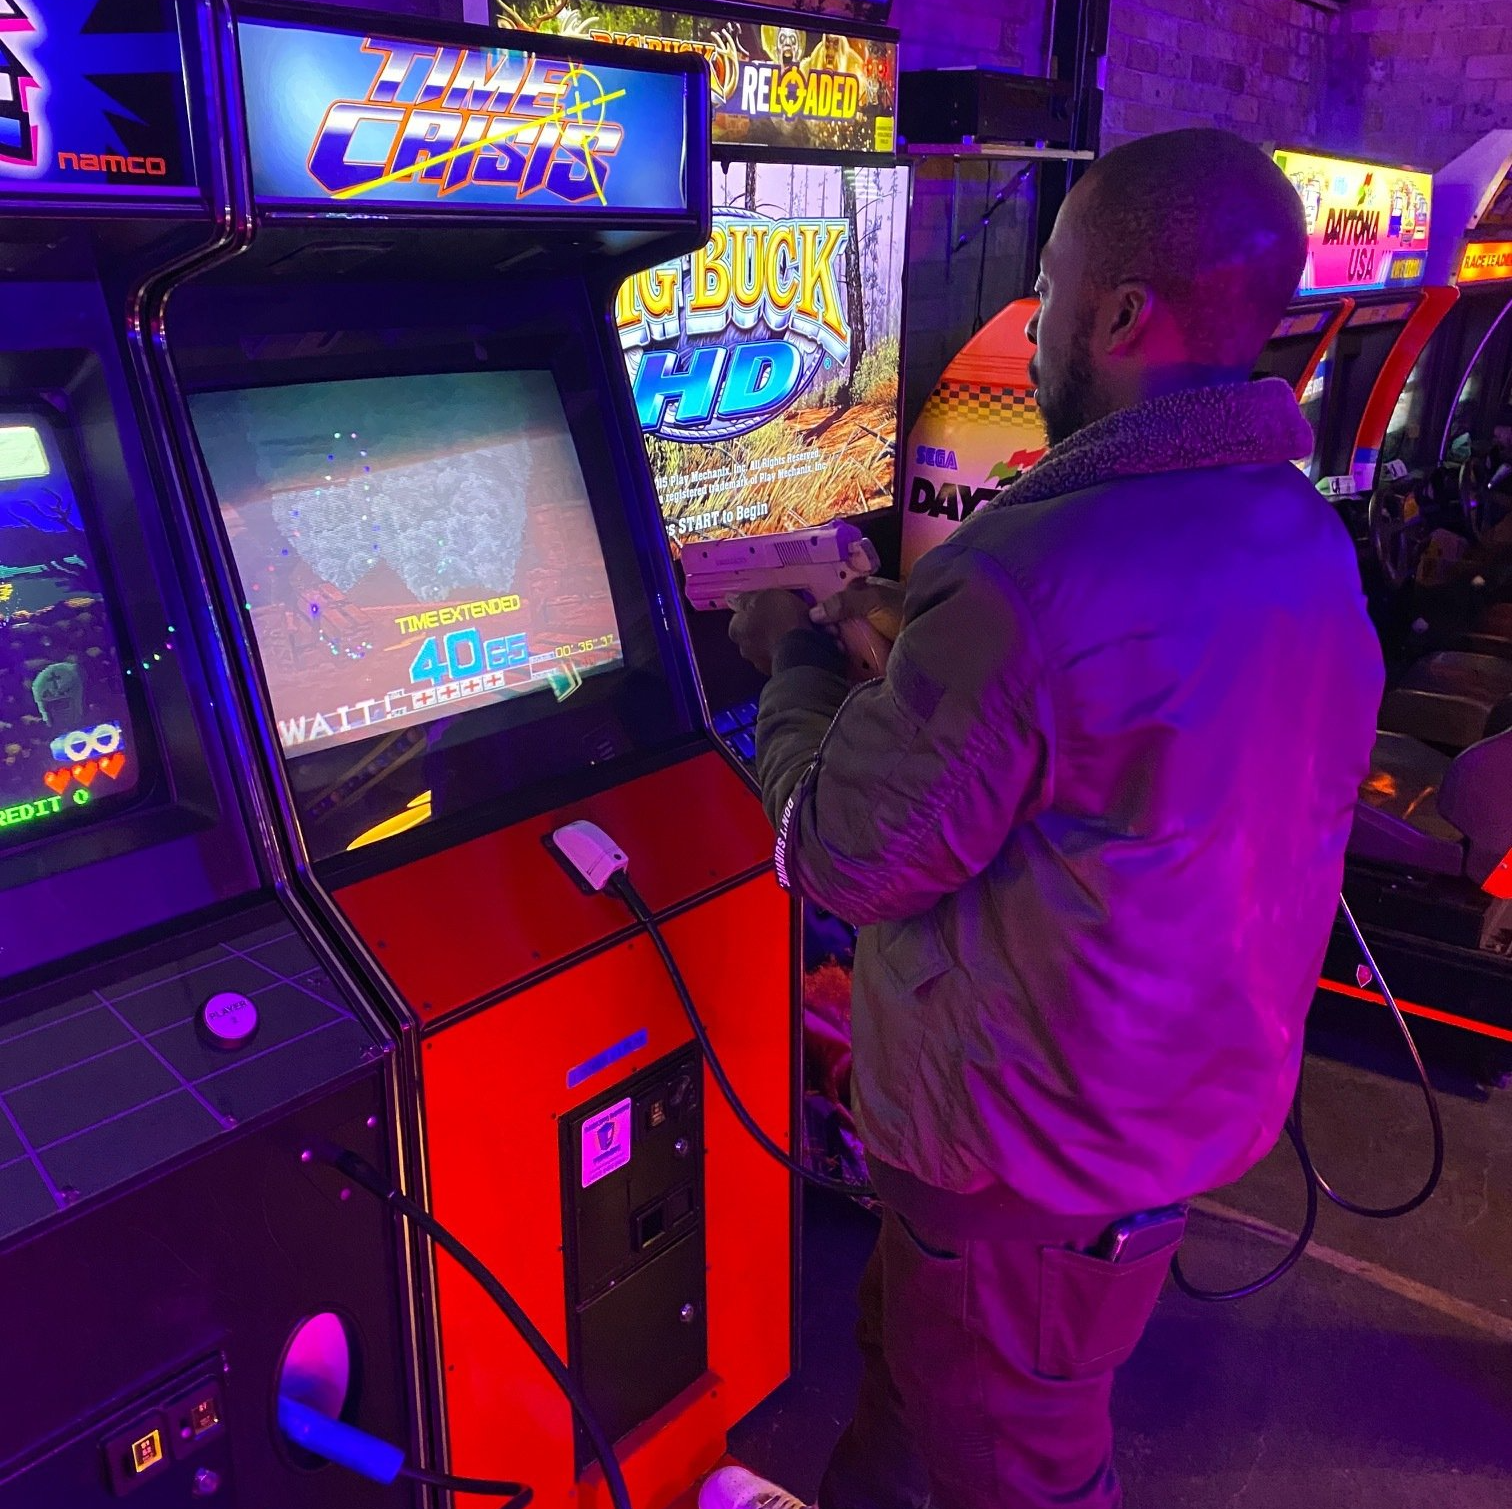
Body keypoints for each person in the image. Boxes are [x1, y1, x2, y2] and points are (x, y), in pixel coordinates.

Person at [700, 128, 1385, 1509]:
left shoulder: (1042, 566)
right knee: (914, 1376)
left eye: (1055, 282)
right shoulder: (1290, 524)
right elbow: (1114, 739)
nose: (1034, 331)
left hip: (1024, 1141)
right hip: (1163, 1087)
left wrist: (785, 652)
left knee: (1019, 1460)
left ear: (1122, 312)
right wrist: (915, 656)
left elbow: (837, 847)